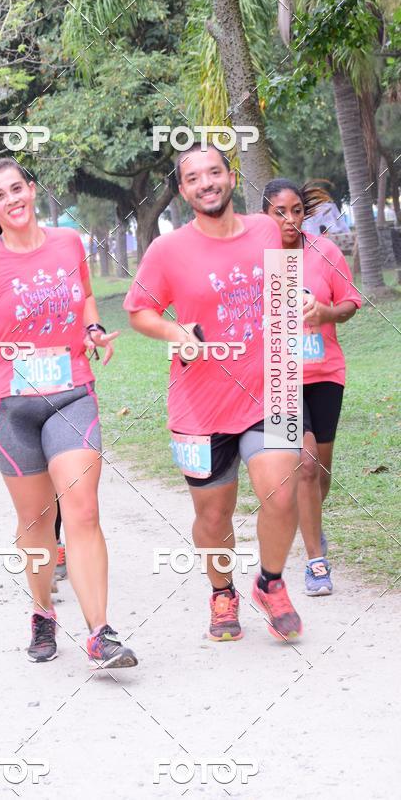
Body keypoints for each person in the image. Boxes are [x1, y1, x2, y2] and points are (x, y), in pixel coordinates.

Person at [0, 158, 137, 668]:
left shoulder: (68, 243)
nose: (12, 200)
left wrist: (92, 330)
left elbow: (85, 299)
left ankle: (100, 633)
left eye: (17, 188)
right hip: (8, 405)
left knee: (84, 510)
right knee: (36, 519)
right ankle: (43, 611)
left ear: (31, 190)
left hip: (71, 392)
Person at [125, 144, 304, 643]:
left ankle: (269, 583)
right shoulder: (168, 250)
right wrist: (178, 334)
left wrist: (301, 302)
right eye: (194, 177)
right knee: (213, 513)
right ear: (183, 191)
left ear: (230, 178)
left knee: (282, 492)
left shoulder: (268, 230)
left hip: (270, 390)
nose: (206, 182)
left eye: (214, 172)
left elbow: (284, 286)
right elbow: (140, 310)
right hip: (199, 405)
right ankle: (222, 591)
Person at [263, 179, 361, 595]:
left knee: (320, 471)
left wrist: (326, 314)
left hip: (326, 373)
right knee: (301, 466)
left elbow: (350, 303)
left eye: (297, 210)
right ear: (265, 215)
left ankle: (313, 528)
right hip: (277, 376)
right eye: (279, 212)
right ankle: (315, 562)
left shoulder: (325, 252)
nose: (289, 219)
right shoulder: (254, 259)